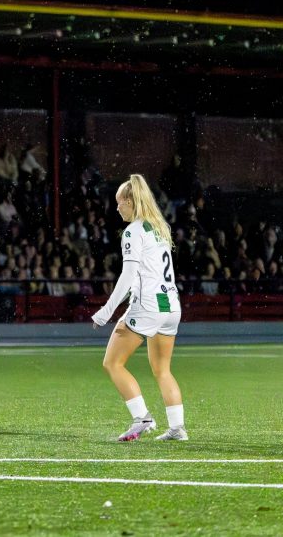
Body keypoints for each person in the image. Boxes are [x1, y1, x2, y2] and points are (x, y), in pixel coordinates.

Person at [91, 175, 187, 442]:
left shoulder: (133, 231)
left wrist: (106, 311)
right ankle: (177, 428)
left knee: (112, 362)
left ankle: (142, 418)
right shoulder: (159, 226)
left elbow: (128, 275)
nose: (117, 208)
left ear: (131, 201)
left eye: (120, 202)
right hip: (171, 304)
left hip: (148, 305)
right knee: (162, 370)